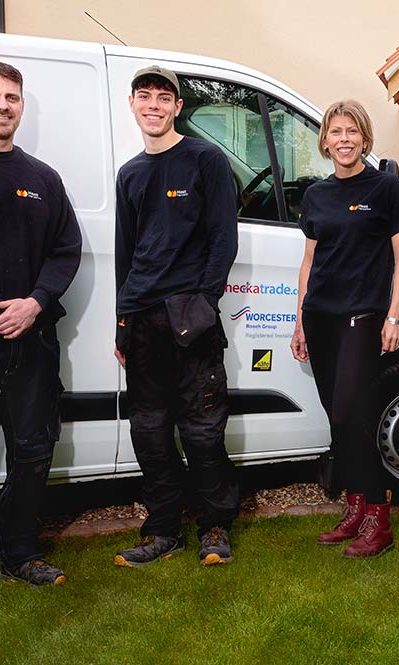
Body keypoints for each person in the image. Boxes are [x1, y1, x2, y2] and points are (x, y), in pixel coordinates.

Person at [113, 66, 239, 568]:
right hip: (142, 319)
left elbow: (223, 238)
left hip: (191, 317)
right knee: (149, 432)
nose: (154, 105)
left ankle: (214, 527)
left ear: (177, 107)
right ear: (132, 104)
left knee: (203, 431)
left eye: (163, 98)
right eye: (144, 96)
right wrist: (122, 320)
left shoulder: (205, 159)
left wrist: (205, 302)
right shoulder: (130, 174)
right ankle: (163, 530)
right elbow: (125, 253)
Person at [290, 100, 399, 559]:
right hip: (320, 316)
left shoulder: (385, 188)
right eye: (336, 132)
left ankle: (379, 518)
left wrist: (394, 315)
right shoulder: (316, 194)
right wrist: (299, 320)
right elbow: (309, 262)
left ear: (364, 138)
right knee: (336, 415)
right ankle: (355, 506)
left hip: (362, 315)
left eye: (352, 131)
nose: (344, 139)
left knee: (350, 413)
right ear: (325, 141)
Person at [0, 61, 82, 586]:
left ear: (22, 106)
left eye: (11, 97)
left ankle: (21, 552)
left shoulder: (41, 179)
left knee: (32, 450)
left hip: (28, 340)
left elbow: (66, 250)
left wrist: (35, 302)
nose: (3, 106)